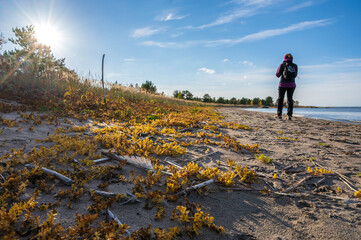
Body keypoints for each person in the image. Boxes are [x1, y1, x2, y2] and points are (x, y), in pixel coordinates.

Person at [275, 53, 298, 120]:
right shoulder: (295, 65)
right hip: (292, 84)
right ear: (292, 58)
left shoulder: (282, 65)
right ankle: (289, 116)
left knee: (280, 99)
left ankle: (279, 115)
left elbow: (277, 75)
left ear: (284, 58)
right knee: (290, 99)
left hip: (283, 84)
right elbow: (295, 75)